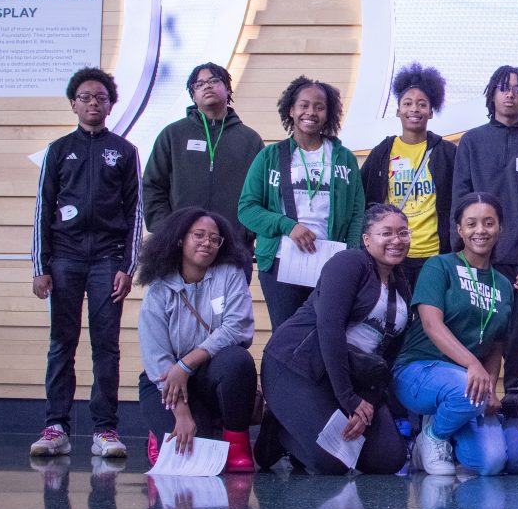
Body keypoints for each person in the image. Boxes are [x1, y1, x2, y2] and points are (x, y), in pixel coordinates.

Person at [30, 68, 143, 460]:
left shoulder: (125, 151)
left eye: (100, 97)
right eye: (85, 97)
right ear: (73, 103)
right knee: (62, 342)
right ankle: (56, 426)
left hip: (107, 261)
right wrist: (39, 267)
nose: (93, 103)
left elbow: (135, 213)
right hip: (64, 258)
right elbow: (43, 209)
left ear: (111, 104)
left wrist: (127, 268)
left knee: (106, 346)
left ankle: (105, 430)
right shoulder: (59, 150)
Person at [257, 203, 411, 475]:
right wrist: (349, 399)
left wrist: (367, 403)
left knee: (389, 459)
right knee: (332, 463)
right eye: (386, 233)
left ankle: (306, 425)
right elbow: (330, 328)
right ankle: (279, 430)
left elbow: (385, 357)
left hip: (351, 377)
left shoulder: (402, 286)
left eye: (403, 233)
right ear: (366, 239)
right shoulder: (349, 263)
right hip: (298, 367)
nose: (396, 240)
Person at [451, 66, 518, 405]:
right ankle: (466, 403)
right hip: (477, 261)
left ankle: (511, 406)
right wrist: (462, 258)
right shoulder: (471, 140)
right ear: (491, 94)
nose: (509, 94)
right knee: (474, 334)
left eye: (517, 89)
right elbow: (459, 201)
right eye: (502, 87)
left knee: (514, 341)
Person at [393, 192, 514, 476]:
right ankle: (432, 437)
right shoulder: (440, 266)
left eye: (488, 223)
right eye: (471, 224)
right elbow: (431, 324)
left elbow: (495, 344)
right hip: (419, 369)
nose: (480, 230)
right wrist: (473, 365)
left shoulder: (504, 285)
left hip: (468, 384)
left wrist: (491, 387)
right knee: (464, 391)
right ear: (459, 230)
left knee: (492, 463)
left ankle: (447, 420)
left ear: (500, 228)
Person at [135, 207, 258, 471]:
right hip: (167, 383)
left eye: (215, 239)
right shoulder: (159, 290)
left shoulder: (230, 274)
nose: (207, 243)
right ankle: (160, 431)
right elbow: (157, 358)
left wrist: (186, 365)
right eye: (199, 235)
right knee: (192, 456)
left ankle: (237, 442)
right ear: (181, 239)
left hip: (210, 373)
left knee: (238, 360)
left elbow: (238, 327)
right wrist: (181, 413)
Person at [238, 76, 364, 332]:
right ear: (291, 110)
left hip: (330, 263)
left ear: (328, 114)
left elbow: (356, 214)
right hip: (280, 261)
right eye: (304, 105)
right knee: (285, 336)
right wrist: (287, 225)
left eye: (319, 107)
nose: (311, 112)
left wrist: (350, 258)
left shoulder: (344, 158)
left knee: (326, 337)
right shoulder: (270, 156)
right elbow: (247, 209)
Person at [142, 62, 264, 277]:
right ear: (193, 95)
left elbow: (263, 193)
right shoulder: (172, 135)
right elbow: (152, 186)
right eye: (199, 84)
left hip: (233, 249)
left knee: (229, 311)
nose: (207, 86)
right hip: (179, 250)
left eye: (214, 81)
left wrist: (247, 233)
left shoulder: (250, 140)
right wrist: (169, 231)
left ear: (227, 89)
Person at [360, 62, 456, 288]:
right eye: (408, 103)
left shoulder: (447, 152)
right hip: (391, 253)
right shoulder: (383, 151)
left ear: (431, 112)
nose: (414, 109)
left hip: (433, 255)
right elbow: (364, 198)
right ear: (398, 110)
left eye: (422, 104)